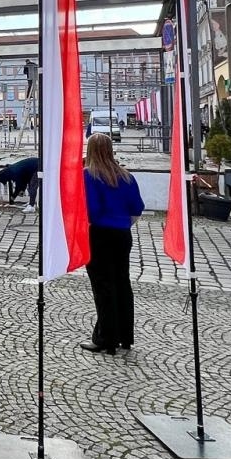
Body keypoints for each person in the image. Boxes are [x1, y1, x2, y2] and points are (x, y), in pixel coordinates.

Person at [81, 133, 144, 356]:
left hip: (99, 234)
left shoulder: (89, 176)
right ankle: (125, 336)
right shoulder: (126, 176)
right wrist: (123, 224)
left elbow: (92, 211)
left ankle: (106, 338)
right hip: (122, 234)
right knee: (122, 283)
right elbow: (137, 208)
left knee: (103, 286)